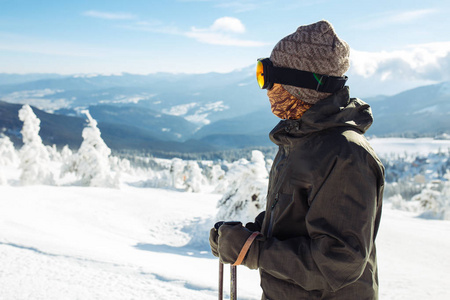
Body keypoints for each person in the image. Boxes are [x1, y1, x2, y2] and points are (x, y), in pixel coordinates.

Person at [209, 20, 385, 299]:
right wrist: (248, 236)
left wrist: (252, 251)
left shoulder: (345, 155)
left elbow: (338, 262)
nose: (266, 89)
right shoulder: (302, 140)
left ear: (301, 85)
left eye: (268, 78)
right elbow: (296, 217)